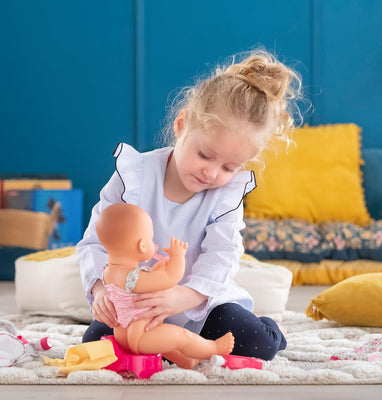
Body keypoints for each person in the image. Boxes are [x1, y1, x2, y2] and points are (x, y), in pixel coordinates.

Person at [77, 48, 302, 362]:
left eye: (229, 167)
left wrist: (185, 295)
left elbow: (223, 253)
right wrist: (100, 287)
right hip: (136, 308)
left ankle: (274, 328)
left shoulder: (226, 196)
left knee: (256, 344)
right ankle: (170, 349)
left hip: (201, 305)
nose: (211, 173)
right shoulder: (134, 177)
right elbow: (95, 240)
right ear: (182, 125)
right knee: (96, 344)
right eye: (205, 155)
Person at [96, 203, 234, 369]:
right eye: (150, 238)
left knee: (165, 342)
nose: (153, 242)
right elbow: (170, 278)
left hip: (121, 333)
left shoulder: (107, 272)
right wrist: (177, 256)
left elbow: (142, 287)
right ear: (142, 245)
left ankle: (186, 360)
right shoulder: (133, 278)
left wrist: (155, 271)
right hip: (141, 334)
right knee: (180, 336)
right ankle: (212, 348)